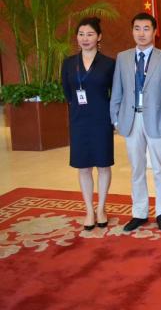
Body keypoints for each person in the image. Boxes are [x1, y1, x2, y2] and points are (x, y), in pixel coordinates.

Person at [110, 12, 161, 232]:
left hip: (157, 120)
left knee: (160, 170)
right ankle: (139, 212)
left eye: (146, 28)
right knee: (136, 169)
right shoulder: (122, 57)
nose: (141, 33)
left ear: (154, 32)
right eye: (137, 28)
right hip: (131, 120)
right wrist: (115, 118)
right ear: (132, 31)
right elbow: (117, 90)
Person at [61, 17, 115, 230]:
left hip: (101, 119)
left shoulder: (109, 63)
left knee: (103, 165)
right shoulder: (68, 63)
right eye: (81, 34)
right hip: (79, 120)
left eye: (90, 34)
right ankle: (89, 210)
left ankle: (101, 208)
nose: (85, 38)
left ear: (99, 37)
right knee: (83, 166)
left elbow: (115, 92)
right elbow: (67, 91)